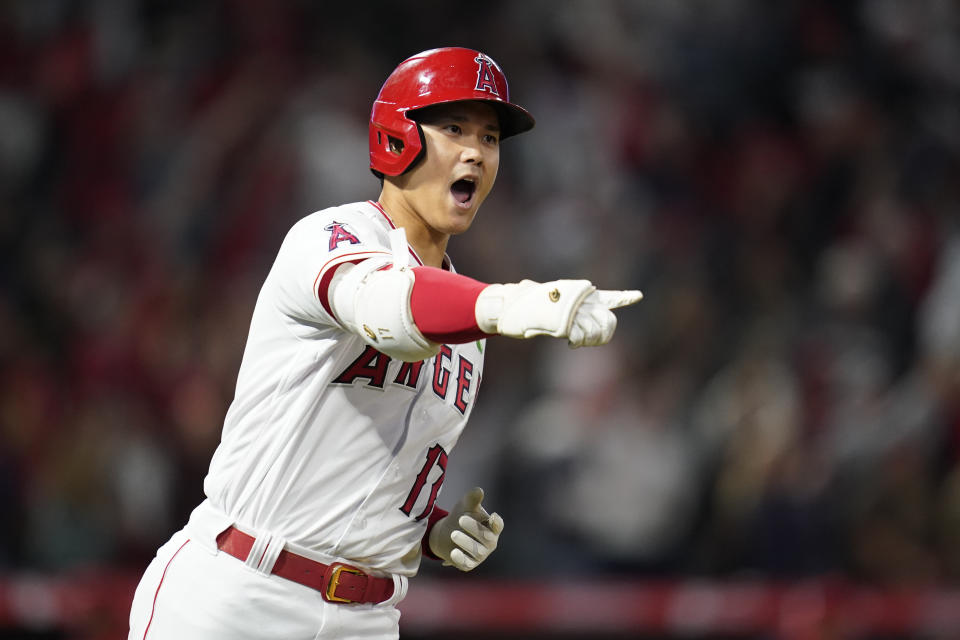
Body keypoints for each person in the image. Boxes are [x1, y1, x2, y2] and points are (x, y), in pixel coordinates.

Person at [127, 46, 642, 640]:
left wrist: (431, 532)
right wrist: (505, 302)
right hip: (240, 591)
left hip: (367, 618)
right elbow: (389, 310)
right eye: (453, 128)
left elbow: (376, 472)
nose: (476, 150)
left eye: (491, 138)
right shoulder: (329, 236)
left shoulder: (468, 332)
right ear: (398, 138)